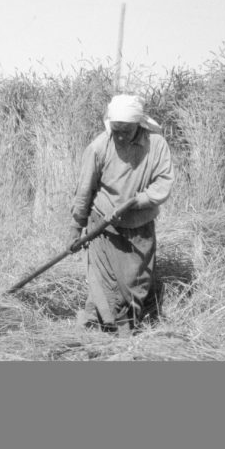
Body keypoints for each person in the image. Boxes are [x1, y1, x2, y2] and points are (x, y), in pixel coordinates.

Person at [71, 94, 175, 337]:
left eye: (125, 131)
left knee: (134, 283)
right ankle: (99, 329)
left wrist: (138, 201)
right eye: (115, 130)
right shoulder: (99, 147)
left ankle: (123, 326)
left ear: (139, 125)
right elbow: (84, 190)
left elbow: (164, 181)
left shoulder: (156, 144)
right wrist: (76, 226)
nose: (119, 136)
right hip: (103, 228)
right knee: (104, 283)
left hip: (140, 225)